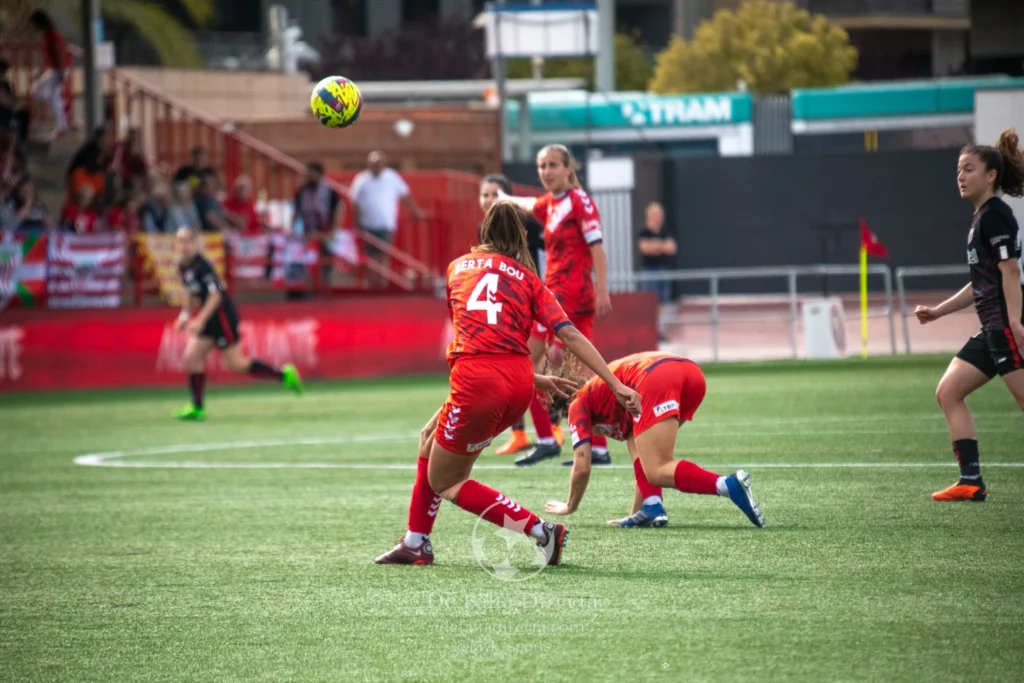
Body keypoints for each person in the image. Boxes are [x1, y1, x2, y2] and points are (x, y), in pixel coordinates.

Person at [374, 202, 642, 566]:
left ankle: (541, 531)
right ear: (522, 238)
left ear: (483, 233)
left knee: (447, 482)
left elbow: (477, 338)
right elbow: (572, 336)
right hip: (516, 383)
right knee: (428, 436)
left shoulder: (456, 269)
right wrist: (614, 385)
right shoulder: (529, 279)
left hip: (477, 383)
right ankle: (416, 540)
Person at [914, 129, 1024, 502]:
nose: (960, 176)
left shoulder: (996, 216)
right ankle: (971, 482)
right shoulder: (981, 219)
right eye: (958, 170)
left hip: (1004, 326)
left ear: (990, 175)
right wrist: (938, 312)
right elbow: (980, 283)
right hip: (992, 329)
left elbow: (1011, 272)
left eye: (969, 169)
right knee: (948, 392)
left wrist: (1014, 322)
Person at [544, 351, 765, 529]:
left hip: (657, 377)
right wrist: (635, 514)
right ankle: (652, 505)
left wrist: (570, 506)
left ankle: (728, 485)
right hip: (690, 373)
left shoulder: (577, 405)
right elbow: (639, 452)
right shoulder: (604, 396)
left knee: (658, 468)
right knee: (648, 457)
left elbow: (582, 467)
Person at [499, 144, 614, 467]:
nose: (546, 171)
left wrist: (602, 289)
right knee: (537, 364)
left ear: (568, 168)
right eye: (541, 166)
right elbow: (527, 202)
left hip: (574, 298)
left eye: (552, 165)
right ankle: (554, 438)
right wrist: (501, 198)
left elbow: (597, 248)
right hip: (552, 298)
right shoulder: (550, 204)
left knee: (567, 368)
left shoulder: (580, 201)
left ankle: (581, 442)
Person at [172, 227, 303, 421]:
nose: (183, 245)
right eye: (180, 241)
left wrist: (199, 320)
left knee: (236, 364)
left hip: (222, 317)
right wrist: (185, 315)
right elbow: (192, 293)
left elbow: (216, 296)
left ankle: (284, 375)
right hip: (209, 318)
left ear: (195, 243)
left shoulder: (203, 266)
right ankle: (197, 407)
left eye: (186, 241)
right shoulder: (183, 266)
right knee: (191, 357)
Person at [477, 173, 548, 456]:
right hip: (503, 310)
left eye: (496, 194)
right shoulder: (483, 228)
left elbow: (548, 251)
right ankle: (521, 433)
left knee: (528, 370)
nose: (490, 200)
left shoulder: (527, 223)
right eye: (485, 195)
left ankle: (551, 431)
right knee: (513, 371)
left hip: (531, 307)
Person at [349, 151, 425, 284]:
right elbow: (355, 202)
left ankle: (382, 284)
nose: (377, 166)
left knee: (383, 256)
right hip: (367, 224)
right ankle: (370, 284)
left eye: (379, 163)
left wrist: (416, 211)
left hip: (385, 224)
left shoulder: (392, 177)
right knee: (370, 257)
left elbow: (405, 195)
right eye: (374, 164)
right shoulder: (361, 179)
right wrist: (357, 223)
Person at [28, 10, 70, 141]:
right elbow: (48, 56)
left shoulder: (53, 34)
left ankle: (62, 127)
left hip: (61, 69)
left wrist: (63, 71)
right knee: (38, 91)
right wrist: (40, 72)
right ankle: (63, 108)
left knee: (54, 97)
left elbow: (59, 53)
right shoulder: (46, 35)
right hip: (54, 70)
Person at [637, 202, 677, 305]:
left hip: (664, 269)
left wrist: (655, 245)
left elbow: (672, 248)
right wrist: (662, 246)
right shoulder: (644, 232)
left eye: (660, 215)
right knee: (650, 300)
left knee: (664, 299)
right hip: (650, 270)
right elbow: (645, 248)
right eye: (656, 215)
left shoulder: (665, 232)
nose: (659, 218)